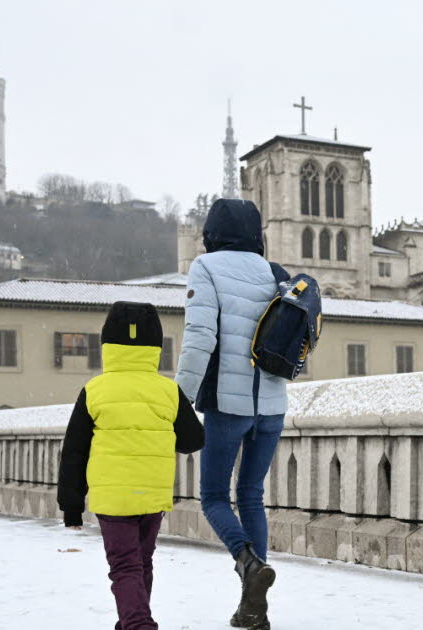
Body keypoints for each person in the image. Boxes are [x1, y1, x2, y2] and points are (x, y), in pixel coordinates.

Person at [174, 198, 288, 630]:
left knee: (214, 497)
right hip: (272, 405)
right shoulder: (273, 272)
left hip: (228, 403)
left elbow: (200, 337)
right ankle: (253, 610)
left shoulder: (207, 268)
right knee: (252, 495)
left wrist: (180, 396)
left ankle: (246, 562)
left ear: (212, 232)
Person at [57, 301, 204, 630]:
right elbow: (194, 439)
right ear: (155, 346)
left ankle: (138, 624)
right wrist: (163, 435)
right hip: (152, 493)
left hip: (113, 496)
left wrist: (71, 505)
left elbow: (74, 452)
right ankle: (131, 623)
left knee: (124, 565)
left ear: (107, 345)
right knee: (142, 561)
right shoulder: (168, 390)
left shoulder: (95, 390)